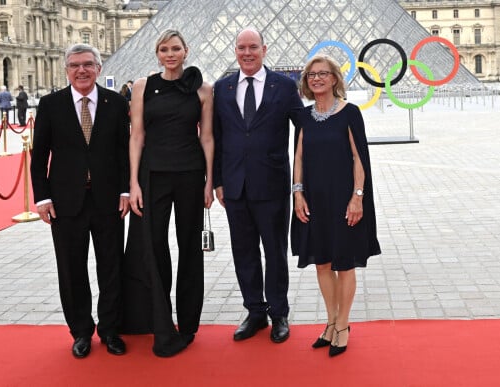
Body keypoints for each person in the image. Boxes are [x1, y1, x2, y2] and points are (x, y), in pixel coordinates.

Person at [30, 43, 131, 359]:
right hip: (65, 200)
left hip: (108, 199)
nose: (81, 70)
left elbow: (123, 152)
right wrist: (42, 197)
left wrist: (126, 191)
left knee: (112, 267)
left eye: (88, 64)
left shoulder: (115, 103)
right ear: (67, 70)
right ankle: (81, 332)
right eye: (74, 65)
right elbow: (39, 155)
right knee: (71, 270)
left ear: (99, 68)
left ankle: (111, 329)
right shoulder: (51, 104)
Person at [124, 29, 214, 357]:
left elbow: (207, 138)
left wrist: (209, 181)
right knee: (155, 250)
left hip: (190, 174)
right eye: (164, 49)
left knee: (190, 248)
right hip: (152, 177)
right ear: (157, 53)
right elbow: (136, 136)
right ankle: (162, 324)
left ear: (186, 51)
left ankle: (188, 324)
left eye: (176, 48)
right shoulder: (142, 87)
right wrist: (133, 183)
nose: (170, 54)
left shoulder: (203, 90)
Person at [213, 27, 303, 344]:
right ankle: (255, 312)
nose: (247, 53)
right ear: (235, 51)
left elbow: (303, 131)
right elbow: (217, 138)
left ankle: (279, 313)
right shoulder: (221, 88)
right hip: (235, 187)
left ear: (265, 49)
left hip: (273, 184)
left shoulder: (285, 86)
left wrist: (303, 182)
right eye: (241, 48)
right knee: (244, 253)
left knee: (275, 253)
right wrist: (218, 182)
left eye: (253, 47)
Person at [291, 54, 381, 357]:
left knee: (344, 263)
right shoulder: (303, 117)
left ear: (334, 79)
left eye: (322, 74)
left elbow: (359, 158)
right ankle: (330, 321)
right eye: (311, 74)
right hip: (314, 199)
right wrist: (297, 194)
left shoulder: (350, 113)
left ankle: (343, 325)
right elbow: (299, 157)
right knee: (322, 262)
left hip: (343, 198)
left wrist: (358, 197)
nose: (316, 78)